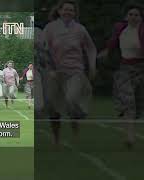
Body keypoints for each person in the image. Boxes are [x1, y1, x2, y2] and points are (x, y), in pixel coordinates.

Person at [39, 0, 97, 146]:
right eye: (65, 9)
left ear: (75, 13)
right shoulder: (50, 28)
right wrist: (50, 68)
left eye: (71, 10)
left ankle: (76, 130)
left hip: (75, 71)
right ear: (59, 11)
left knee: (72, 100)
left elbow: (91, 48)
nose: (68, 12)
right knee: (53, 106)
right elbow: (43, 50)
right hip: (55, 73)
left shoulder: (80, 29)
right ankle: (56, 138)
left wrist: (92, 66)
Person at [97, 3, 144, 148]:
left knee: (139, 103)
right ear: (126, 16)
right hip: (124, 68)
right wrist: (105, 52)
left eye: (136, 15)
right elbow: (112, 43)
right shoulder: (120, 28)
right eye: (131, 14)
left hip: (141, 68)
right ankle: (129, 137)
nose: (133, 17)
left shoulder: (142, 30)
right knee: (127, 101)